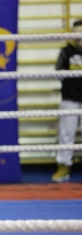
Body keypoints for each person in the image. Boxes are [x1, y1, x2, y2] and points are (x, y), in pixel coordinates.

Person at [51, 20, 82, 183]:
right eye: (76, 32)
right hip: (69, 98)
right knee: (66, 134)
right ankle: (64, 166)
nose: (79, 36)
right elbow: (59, 72)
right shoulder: (66, 51)